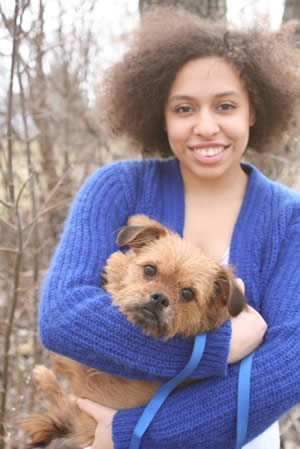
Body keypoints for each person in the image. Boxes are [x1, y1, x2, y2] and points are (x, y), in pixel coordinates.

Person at [39, 7, 300, 449]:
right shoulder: (117, 187)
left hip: (230, 438)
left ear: (254, 109)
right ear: (159, 113)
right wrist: (217, 350)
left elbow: (290, 360)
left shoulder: (288, 219)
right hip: (96, 422)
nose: (205, 126)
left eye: (225, 105)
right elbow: (64, 317)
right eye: (184, 108)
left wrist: (134, 434)